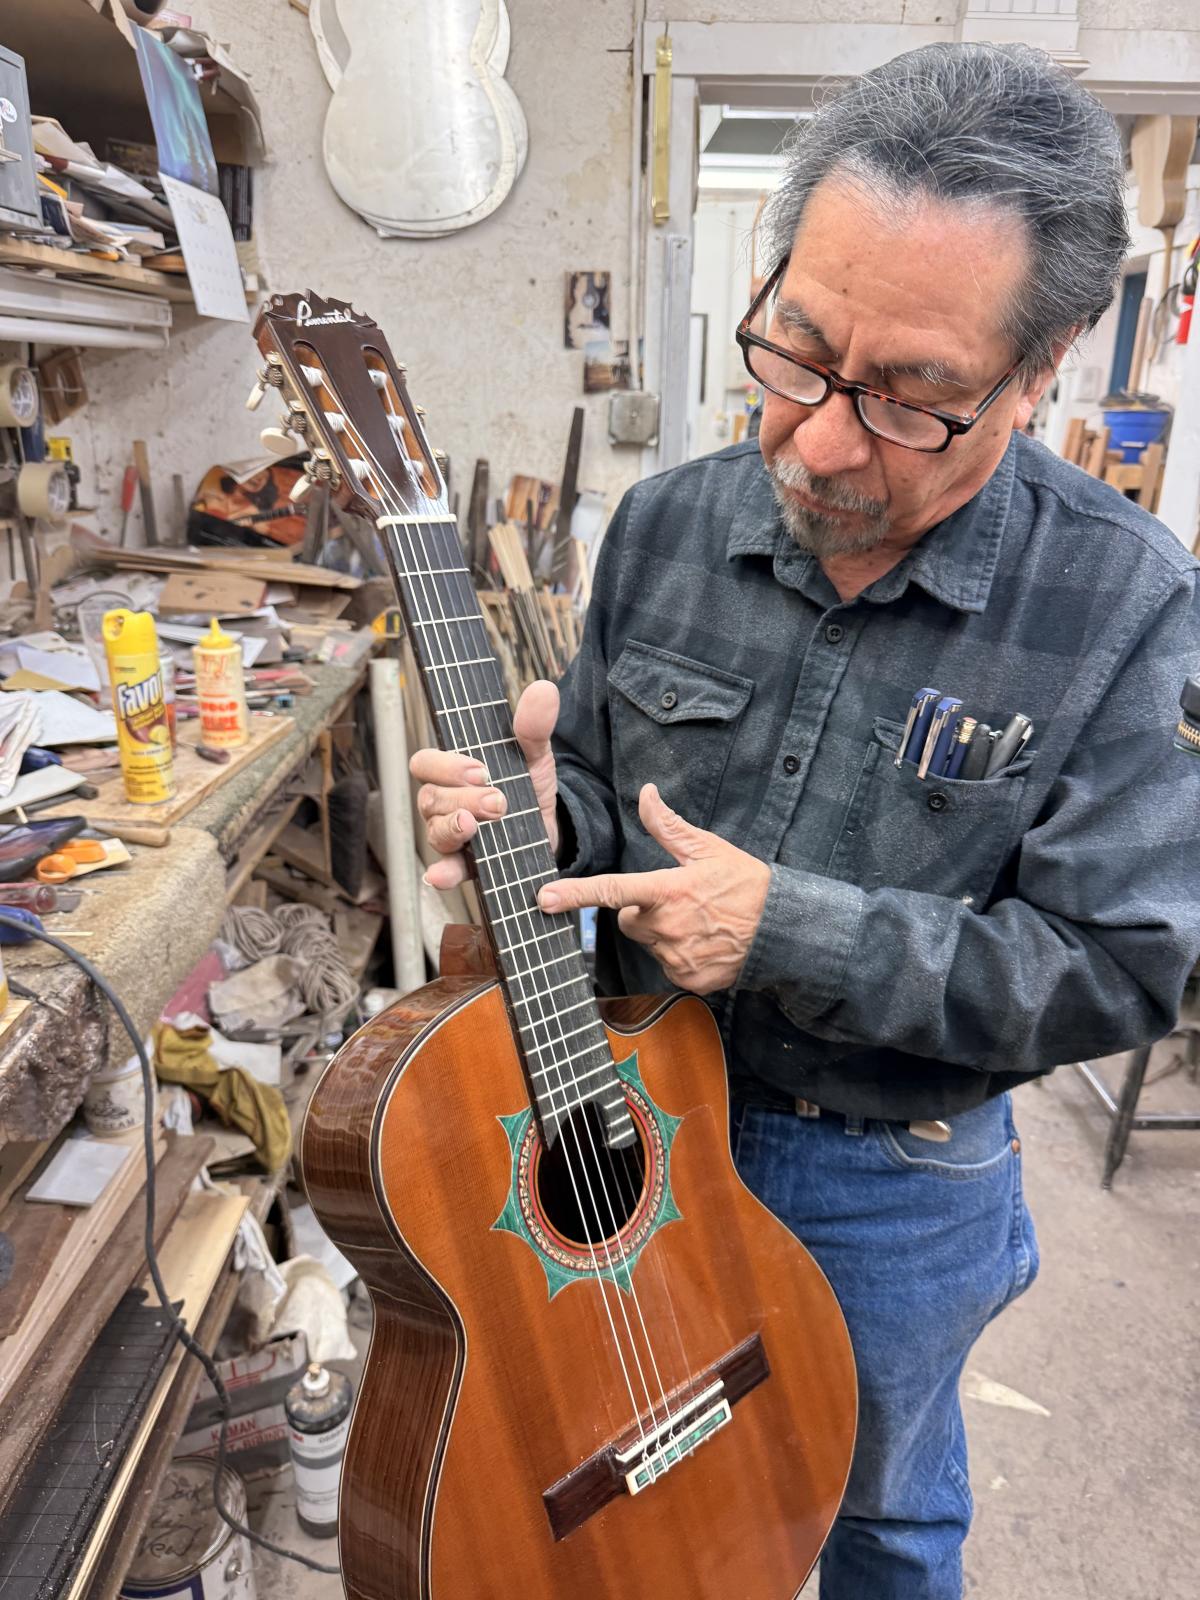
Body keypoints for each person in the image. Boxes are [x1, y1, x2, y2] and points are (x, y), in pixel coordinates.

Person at [410, 42, 1200, 1600]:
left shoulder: (1126, 602)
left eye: (914, 401)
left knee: (875, 1517)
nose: (822, 443)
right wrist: (535, 826)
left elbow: (1120, 968)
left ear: (1038, 374)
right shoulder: (668, 523)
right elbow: (602, 802)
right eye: (799, 353)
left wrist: (790, 931)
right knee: (613, 1492)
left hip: (887, 1175)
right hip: (630, 1119)